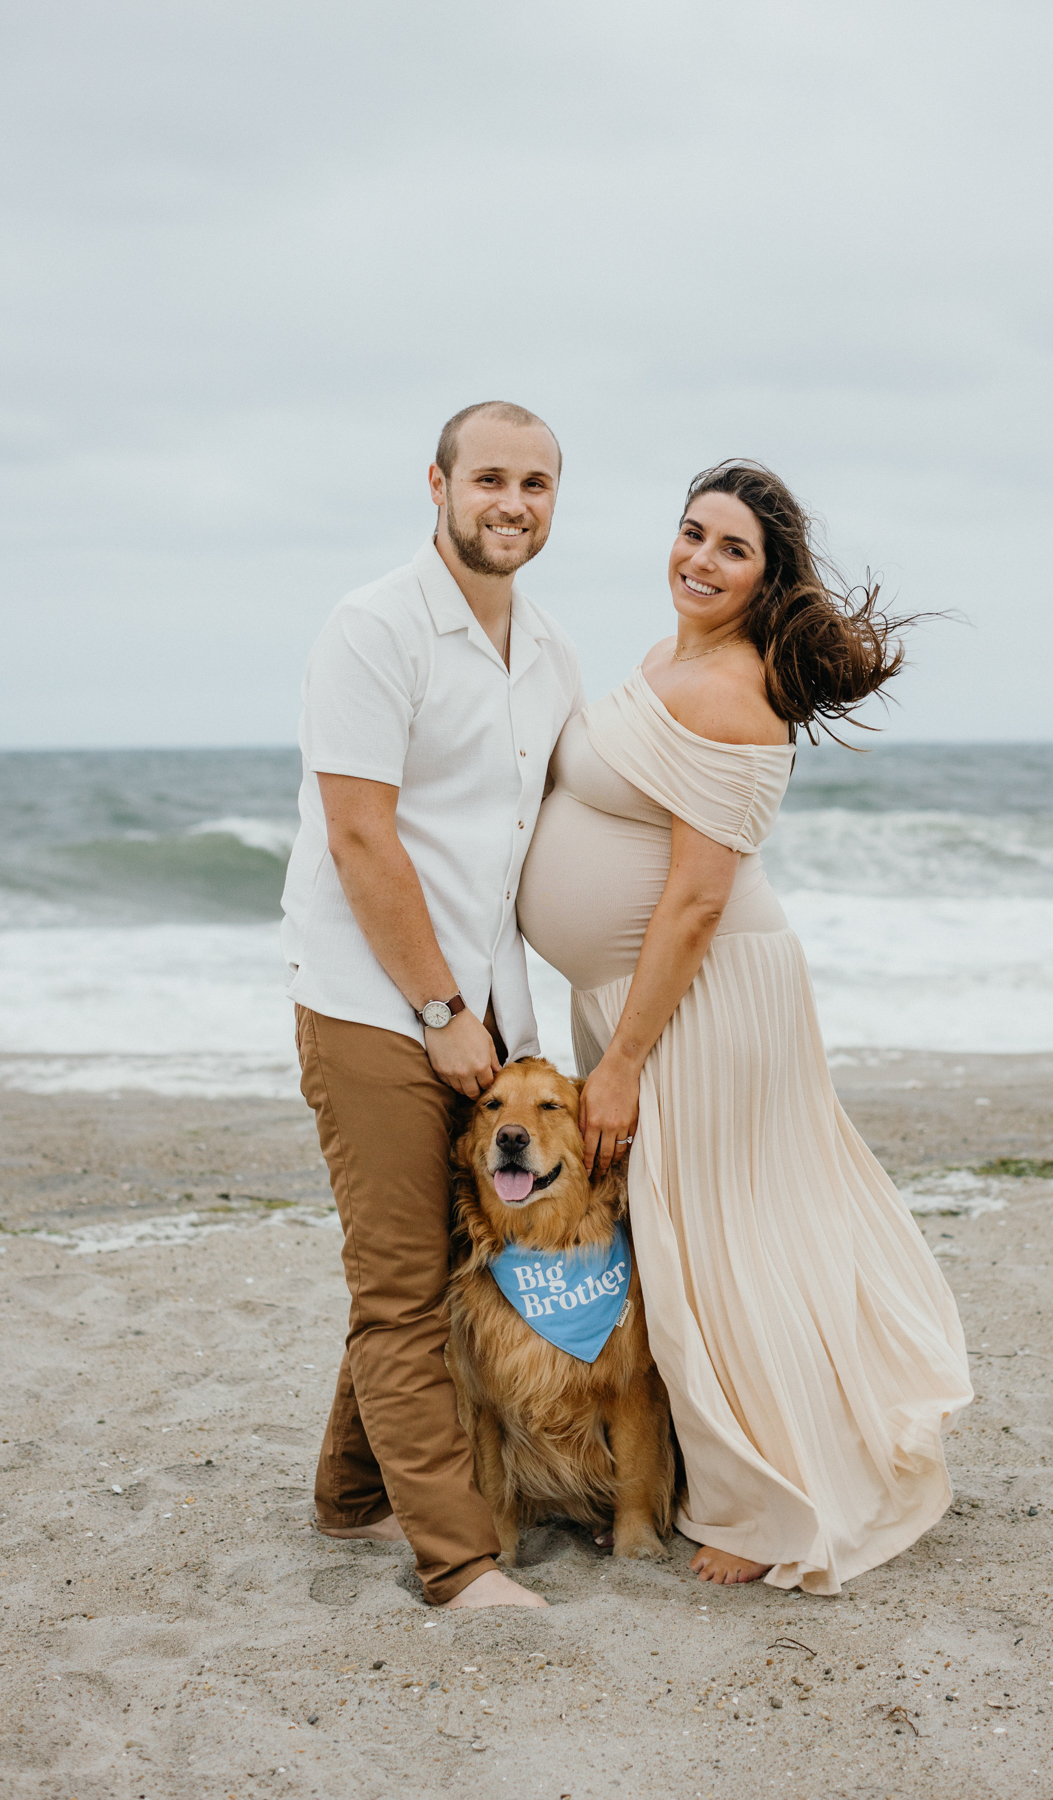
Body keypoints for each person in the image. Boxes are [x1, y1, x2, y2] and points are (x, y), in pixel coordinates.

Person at [518, 460, 973, 1593]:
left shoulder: (733, 690)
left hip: (697, 1002)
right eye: (691, 533)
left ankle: (769, 1507)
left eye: (733, 550)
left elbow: (698, 900)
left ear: (768, 579)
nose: (700, 561)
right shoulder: (666, 658)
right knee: (707, 1235)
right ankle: (733, 1469)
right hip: (635, 997)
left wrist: (621, 1063)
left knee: (710, 1243)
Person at [281, 401, 584, 1609]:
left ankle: (351, 1499)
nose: (513, 503)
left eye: (539, 484)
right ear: (440, 485)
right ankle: (459, 1563)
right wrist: (441, 1007)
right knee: (403, 1291)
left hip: (489, 1010)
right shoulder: (373, 629)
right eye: (491, 479)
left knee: (451, 1254)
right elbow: (362, 838)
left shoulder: (551, 653)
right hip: (374, 1004)